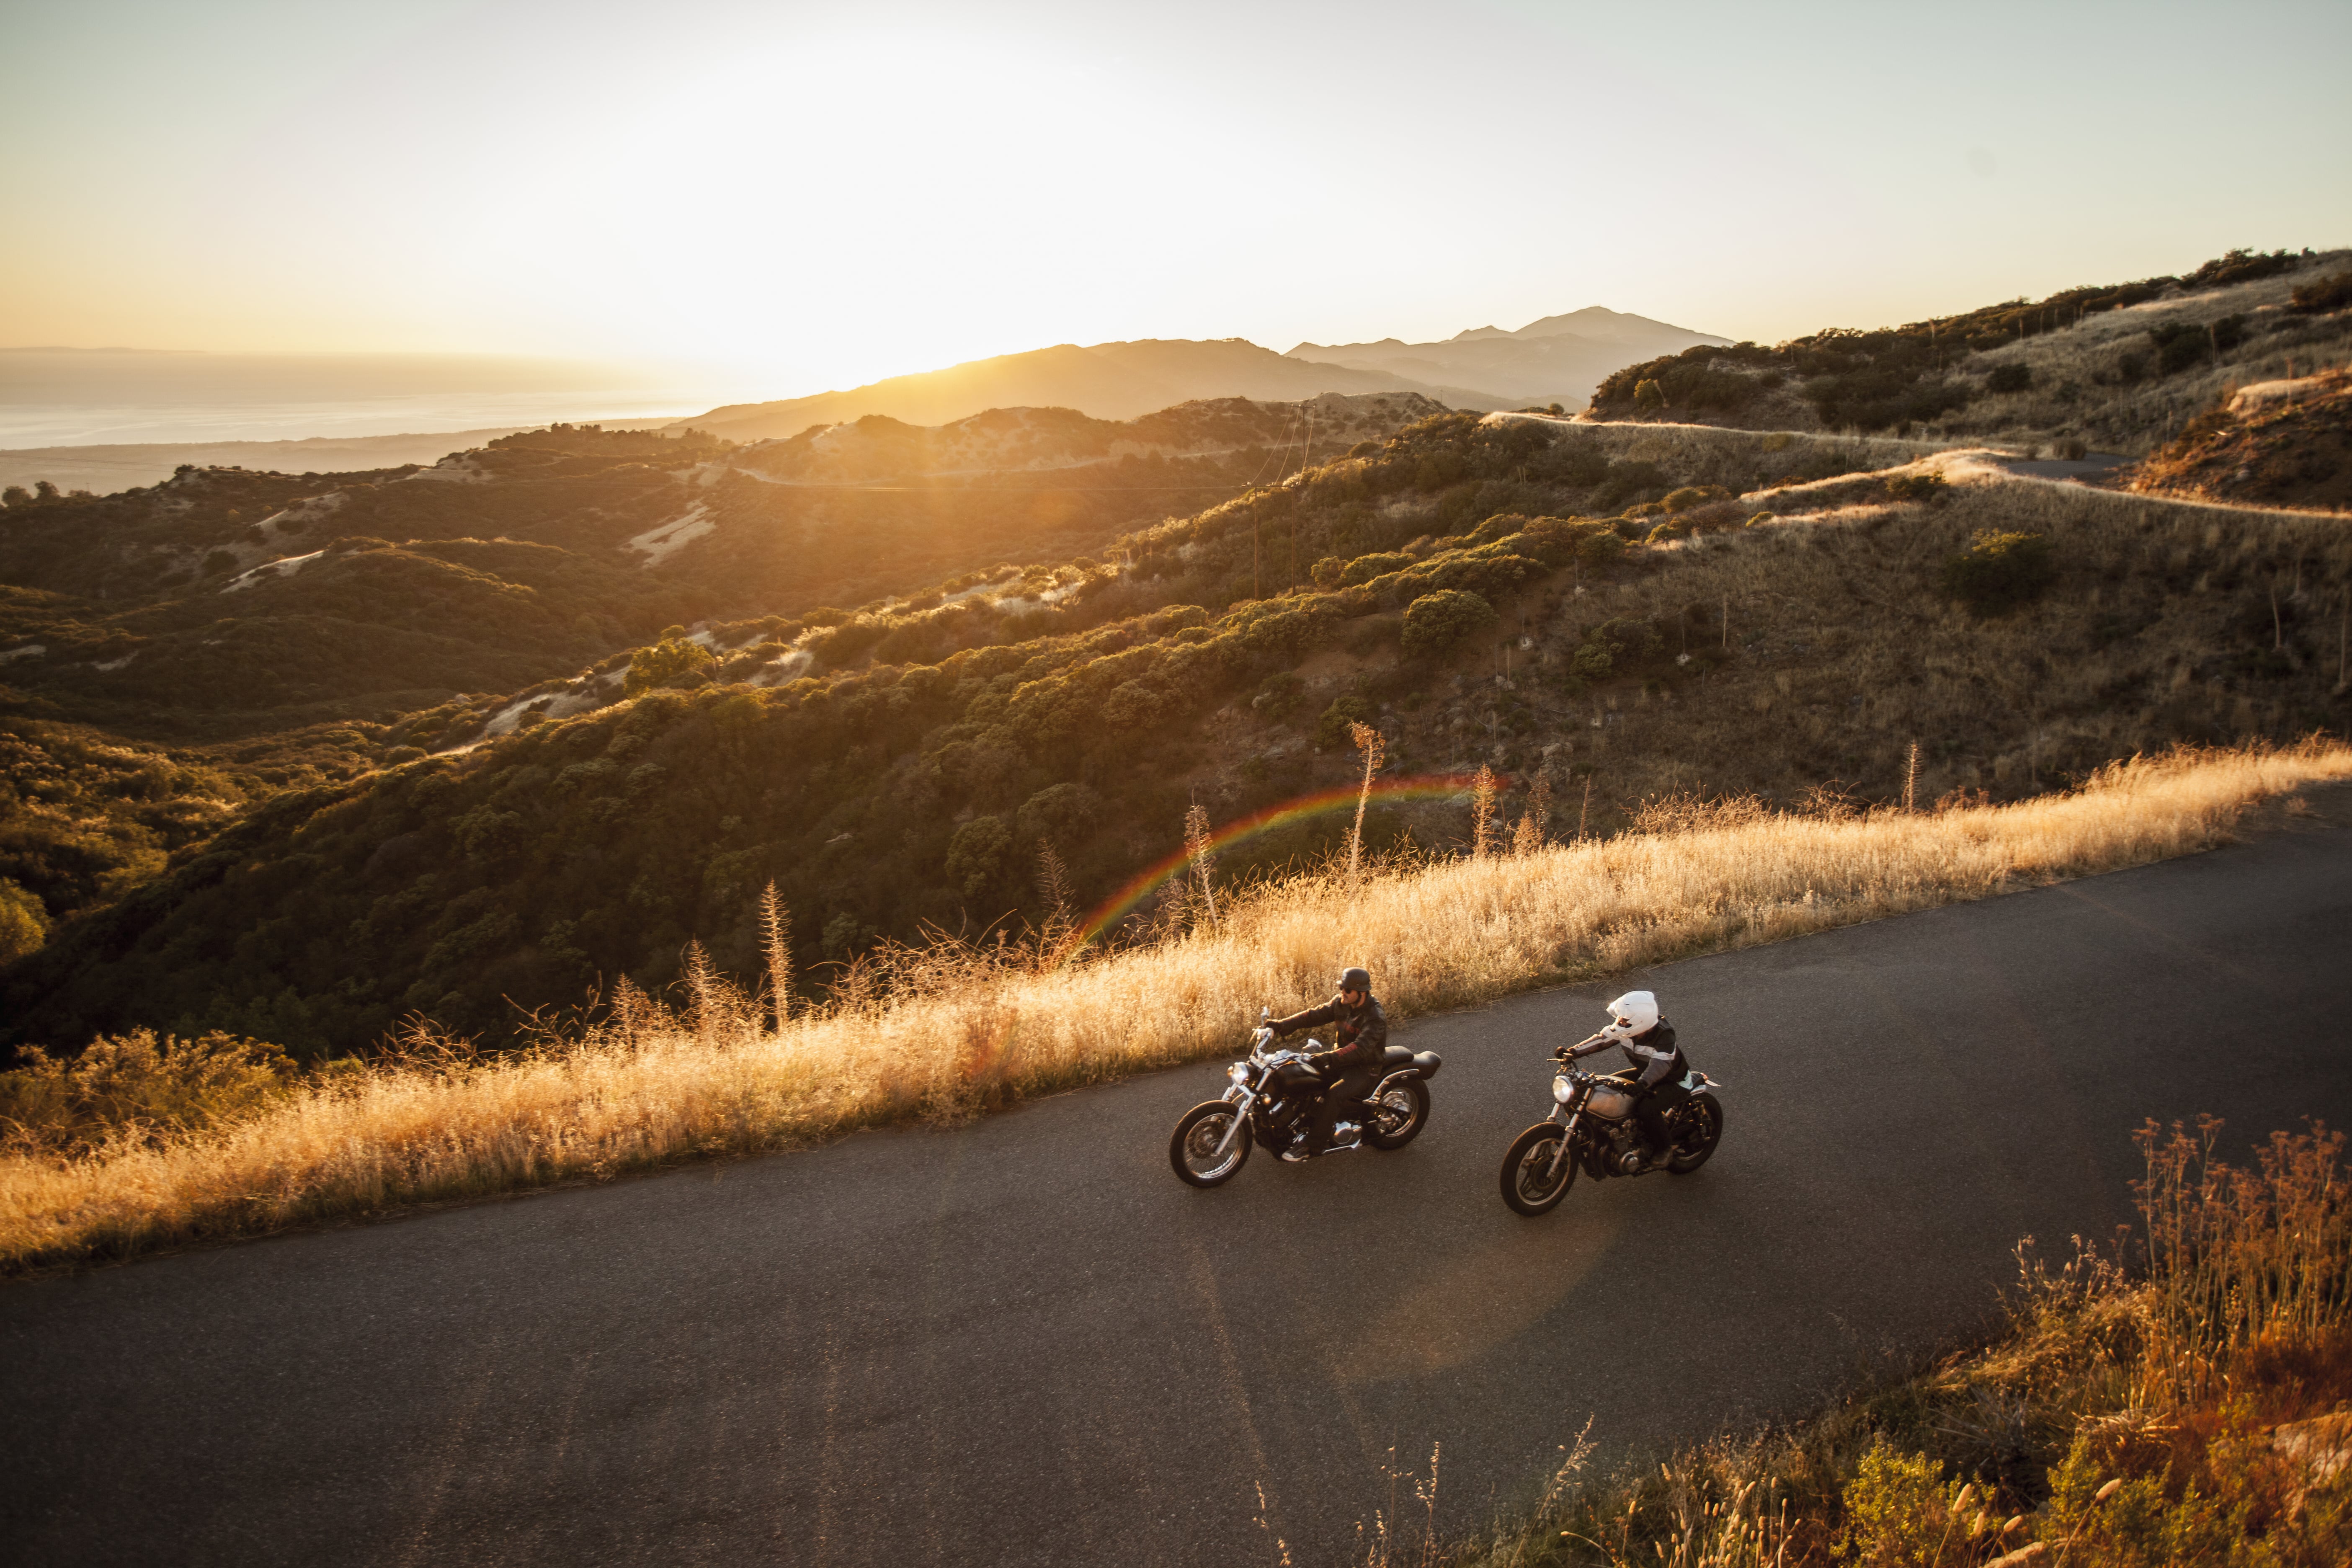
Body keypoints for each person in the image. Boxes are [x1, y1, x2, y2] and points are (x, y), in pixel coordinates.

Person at [1266, 965, 1389, 1160]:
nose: (1343, 992)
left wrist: (1328, 1057)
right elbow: (1313, 1015)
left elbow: (1361, 1048)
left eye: (1348, 990)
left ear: (1362, 992)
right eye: (1342, 988)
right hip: (1341, 1060)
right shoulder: (1341, 1004)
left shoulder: (1375, 1018)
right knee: (1301, 1077)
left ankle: (1312, 1145)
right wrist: (1281, 1025)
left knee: (1335, 1094)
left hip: (1365, 1068)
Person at [1564, 989, 1688, 1167]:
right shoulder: (1626, 1029)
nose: (1620, 1022)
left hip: (1674, 1081)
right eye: (1620, 1018)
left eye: (1624, 1019)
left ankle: (1664, 1149)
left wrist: (1642, 1084)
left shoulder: (1664, 1036)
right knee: (1606, 1089)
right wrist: (1572, 1052)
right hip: (1644, 1073)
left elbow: (1660, 1066)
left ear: (1640, 1022)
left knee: (1647, 1109)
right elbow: (1602, 1039)